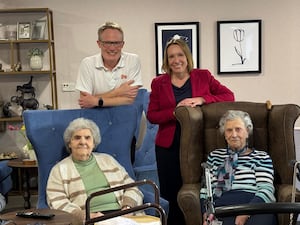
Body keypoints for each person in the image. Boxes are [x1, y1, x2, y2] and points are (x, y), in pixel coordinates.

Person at [147, 37, 235, 225]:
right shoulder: (158, 83)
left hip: (198, 143)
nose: (176, 60)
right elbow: (152, 115)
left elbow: (229, 96)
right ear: (166, 60)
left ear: (187, 57)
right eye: (171, 56)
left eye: (180, 55)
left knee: (198, 189)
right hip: (168, 146)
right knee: (171, 191)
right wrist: (175, 111)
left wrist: (202, 99)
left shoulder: (203, 76)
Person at [46, 118, 143, 224]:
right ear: (69, 143)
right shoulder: (59, 169)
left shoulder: (108, 160)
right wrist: (86, 216)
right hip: (90, 219)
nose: (83, 142)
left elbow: (132, 187)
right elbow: (57, 201)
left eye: (87, 138)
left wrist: (127, 207)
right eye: (77, 138)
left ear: (93, 143)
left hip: (121, 215)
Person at [200, 110, 277, 225]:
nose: (234, 135)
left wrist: (246, 213)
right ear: (224, 134)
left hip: (255, 207)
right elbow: (206, 190)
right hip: (222, 206)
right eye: (229, 130)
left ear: (247, 132)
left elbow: (266, 190)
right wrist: (206, 213)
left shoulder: (261, 157)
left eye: (238, 129)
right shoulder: (215, 156)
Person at [76, 21, 143, 109]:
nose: (112, 48)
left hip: (124, 117)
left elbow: (129, 99)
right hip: (95, 118)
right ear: (99, 44)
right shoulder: (87, 63)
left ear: (122, 44)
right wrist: (118, 92)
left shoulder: (133, 60)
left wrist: (96, 101)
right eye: (107, 43)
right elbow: (85, 101)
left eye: (116, 43)